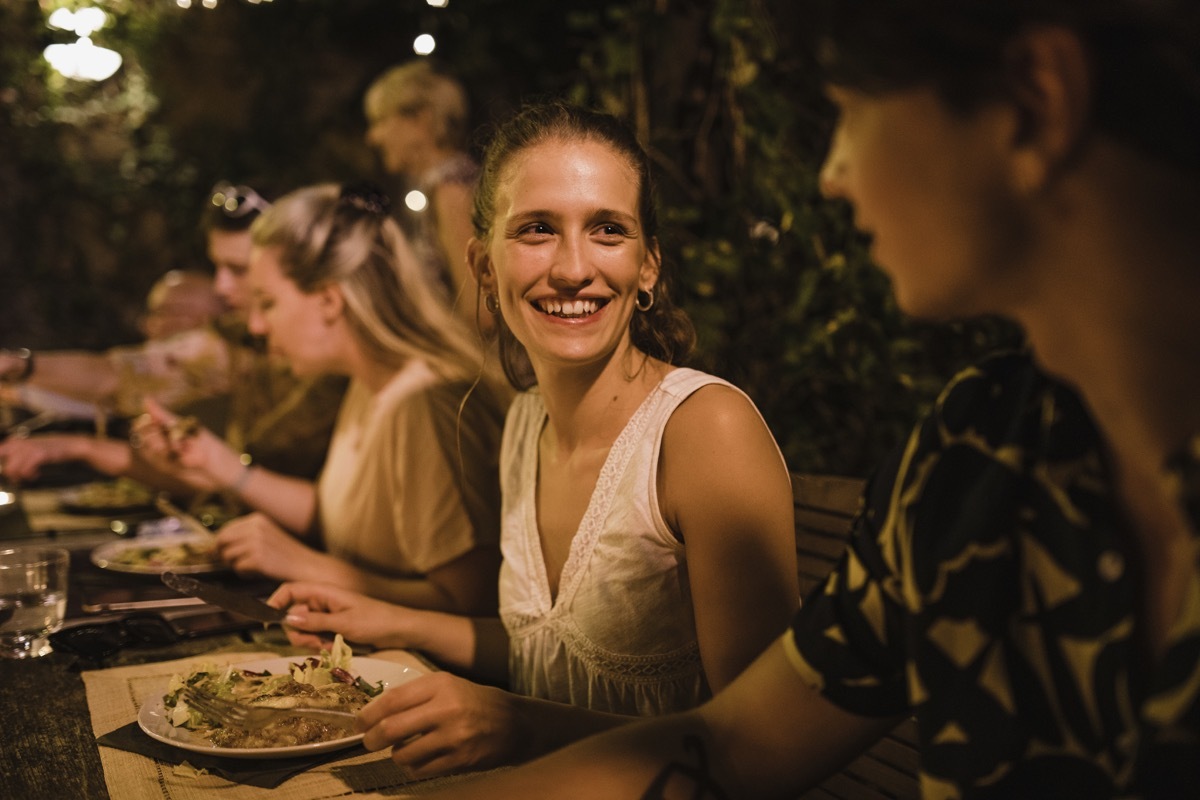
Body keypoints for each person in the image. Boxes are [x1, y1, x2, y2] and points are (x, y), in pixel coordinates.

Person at [390, 1, 1200, 797]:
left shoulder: (950, 456)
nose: (832, 175)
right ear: (484, 263)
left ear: (1035, 102)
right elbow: (737, 742)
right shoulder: (976, 450)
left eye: (850, 112)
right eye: (536, 230)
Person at [268, 103, 799, 778]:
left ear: (648, 267)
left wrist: (520, 726)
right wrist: (390, 621)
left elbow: (766, 749)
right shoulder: (525, 423)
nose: (574, 268)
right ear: (484, 266)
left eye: (608, 230)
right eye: (538, 230)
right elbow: (544, 655)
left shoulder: (705, 431)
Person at [136, 183, 510, 615]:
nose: (256, 326)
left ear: (330, 300)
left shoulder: (424, 404)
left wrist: (305, 564)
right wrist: (215, 462)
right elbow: (341, 516)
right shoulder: (369, 382)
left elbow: (468, 602)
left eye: (268, 303)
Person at [0, 182, 346, 490]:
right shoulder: (236, 339)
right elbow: (120, 375)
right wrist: (17, 366)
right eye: (217, 266)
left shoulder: (341, 354)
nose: (222, 286)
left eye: (240, 269)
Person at [0, 268, 229, 420]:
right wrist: (12, 386)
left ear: (202, 318)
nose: (148, 325)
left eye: (163, 313)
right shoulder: (174, 380)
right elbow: (93, 401)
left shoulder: (209, 348)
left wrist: (19, 365)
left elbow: (111, 375)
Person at [363, 60, 484, 328]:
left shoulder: (452, 189)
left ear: (420, 119)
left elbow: (479, 309)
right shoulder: (449, 183)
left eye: (380, 121)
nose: (373, 137)